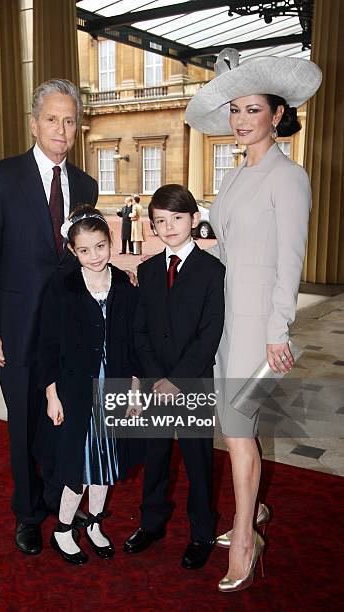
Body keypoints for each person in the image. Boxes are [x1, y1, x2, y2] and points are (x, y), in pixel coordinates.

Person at [185, 48, 322, 592]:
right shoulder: (237, 173)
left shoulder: (289, 178)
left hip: (255, 324)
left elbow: (290, 262)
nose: (241, 120)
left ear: (276, 113)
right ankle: (254, 508)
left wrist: (277, 331)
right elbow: (226, 247)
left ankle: (244, 534)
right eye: (236, 110)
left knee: (238, 433)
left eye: (252, 110)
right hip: (224, 317)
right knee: (239, 427)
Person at [0, 79, 98, 556]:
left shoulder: (86, 184)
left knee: (61, 420)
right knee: (22, 421)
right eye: (52, 118)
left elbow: (85, 256)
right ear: (34, 123)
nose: (61, 129)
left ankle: (54, 499)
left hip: (67, 331)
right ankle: (27, 512)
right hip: (17, 328)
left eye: (69, 120)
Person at [123, 184, 225, 570]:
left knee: (198, 460)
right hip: (154, 380)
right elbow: (140, 330)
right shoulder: (148, 270)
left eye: (177, 219)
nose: (169, 228)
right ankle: (151, 523)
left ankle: (201, 532)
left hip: (193, 381)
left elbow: (210, 334)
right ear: (151, 226)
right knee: (156, 454)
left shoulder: (212, 271)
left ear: (195, 221)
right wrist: (154, 377)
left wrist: (177, 380)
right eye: (160, 221)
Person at [34, 206, 140, 564]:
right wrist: (52, 395)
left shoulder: (125, 284)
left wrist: (135, 387)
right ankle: (63, 529)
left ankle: (94, 522)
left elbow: (134, 339)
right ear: (72, 251)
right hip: (75, 390)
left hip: (115, 386)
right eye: (84, 250)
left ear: (111, 242)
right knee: (76, 464)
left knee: (106, 461)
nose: (94, 256)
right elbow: (46, 343)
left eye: (100, 246)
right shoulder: (62, 287)